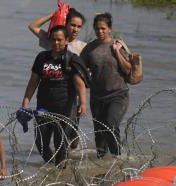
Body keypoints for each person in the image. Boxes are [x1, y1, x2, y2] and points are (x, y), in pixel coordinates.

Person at [21, 25, 88, 166]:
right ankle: (51, 171)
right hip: (43, 107)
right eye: (53, 40)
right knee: (41, 143)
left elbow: (80, 84)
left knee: (60, 144)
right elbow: (33, 82)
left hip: (65, 109)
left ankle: (61, 172)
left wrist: (82, 104)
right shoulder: (42, 58)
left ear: (66, 40)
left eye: (59, 40)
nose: (56, 43)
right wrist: (25, 104)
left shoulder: (71, 59)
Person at [79, 12, 131, 158]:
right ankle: (102, 165)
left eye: (103, 28)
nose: (100, 31)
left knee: (110, 125)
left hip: (118, 95)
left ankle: (118, 158)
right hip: (97, 97)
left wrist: (117, 52)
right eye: (97, 28)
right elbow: (79, 70)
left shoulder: (118, 46)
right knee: (100, 134)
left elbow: (128, 69)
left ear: (110, 28)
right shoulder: (89, 49)